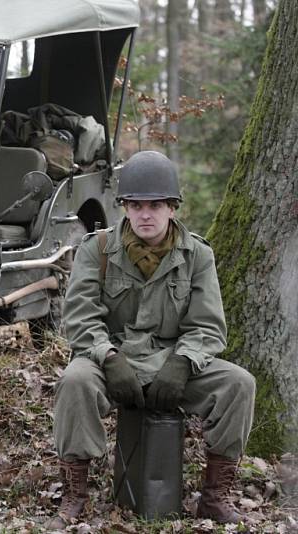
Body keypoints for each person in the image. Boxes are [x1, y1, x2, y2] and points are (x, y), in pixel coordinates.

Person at [48, 151, 256, 528]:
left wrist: (183, 362)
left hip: (172, 361)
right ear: (124, 207)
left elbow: (209, 327)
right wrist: (108, 358)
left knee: (239, 384)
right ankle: (74, 495)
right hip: (111, 359)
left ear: (172, 208)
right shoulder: (97, 250)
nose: (146, 214)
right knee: (75, 381)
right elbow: (79, 319)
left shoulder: (198, 255)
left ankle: (215, 497)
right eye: (136, 205)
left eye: (156, 205)